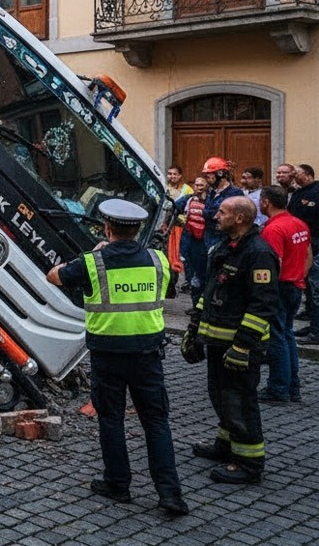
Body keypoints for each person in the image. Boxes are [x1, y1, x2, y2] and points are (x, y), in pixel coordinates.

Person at [47, 199, 187, 515]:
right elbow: (163, 292)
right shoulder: (158, 260)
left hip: (108, 355)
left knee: (111, 419)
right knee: (156, 422)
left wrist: (93, 254)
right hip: (148, 355)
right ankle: (170, 494)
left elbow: (53, 276)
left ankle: (118, 484)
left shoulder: (93, 263)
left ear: (107, 229)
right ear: (136, 230)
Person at [181, 196, 278, 484]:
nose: (215, 217)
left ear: (240, 218)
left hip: (239, 347)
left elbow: (263, 305)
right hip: (218, 343)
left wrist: (243, 346)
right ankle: (226, 445)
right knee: (221, 395)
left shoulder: (259, 253)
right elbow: (210, 295)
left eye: (222, 213)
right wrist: (194, 330)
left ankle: (248, 462)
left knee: (239, 401)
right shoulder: (224, 247)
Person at [258, 186, 310, 402]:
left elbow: (273, 263)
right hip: (295, 285)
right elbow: (308, 255)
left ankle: (278, 388)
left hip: (279, 286)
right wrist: (299, 276)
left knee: (277, 338)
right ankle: (293, 386)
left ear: (266, 202)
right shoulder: (299, 224)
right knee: (287, 335)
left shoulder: (273, 229)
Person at [288, 164, 319, 343]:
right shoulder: (299, 193)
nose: (294, 176)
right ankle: (312, 321)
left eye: (297, 173)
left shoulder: (316, 192)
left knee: (316, 289)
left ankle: (316, 331)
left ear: (307, 175)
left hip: (315, 247)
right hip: (302, 245)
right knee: (308, 287)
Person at [201, 156, 244, 255]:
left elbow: (215, 214)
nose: (206, 180)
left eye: (208, 176)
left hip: (225, 240)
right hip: (208, 239)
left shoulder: (234, 193)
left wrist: (206, 212)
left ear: (219, 174)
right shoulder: (211, 192)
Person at [176, 177, 208, 304]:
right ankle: (195, 302)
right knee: (189, 265)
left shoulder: (210, 201)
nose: (198, 187)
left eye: (201, 185)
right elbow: (174, 207)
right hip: (190, 237)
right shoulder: (187, 199)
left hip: (204, 240)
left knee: (201, 273)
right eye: (196, 184)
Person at [164, 166, 193, 295]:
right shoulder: (163, 188)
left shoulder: (187, 190)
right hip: (165, 227)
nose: (172, 176)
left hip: (180, 227)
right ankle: (170, 284)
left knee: (180, 255)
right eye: (169, 174)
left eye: (175, 174)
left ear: (180, 176)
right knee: (168, 255)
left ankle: (187, 281)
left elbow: (189, 208)